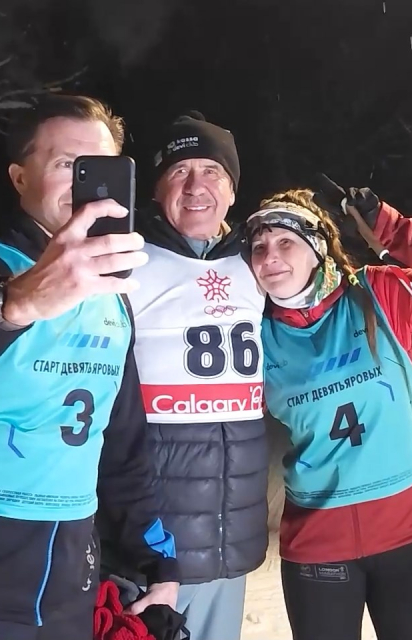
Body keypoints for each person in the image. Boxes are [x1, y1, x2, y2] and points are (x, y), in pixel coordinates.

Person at [0, 94, 180, 640]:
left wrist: (153, 559)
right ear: (20, 178)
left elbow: (121, 440)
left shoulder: (114, 293)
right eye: (68, 164)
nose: (87, 186)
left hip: (69, 560)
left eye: (101, 168)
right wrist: (16, 302)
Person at [242, 182, 412, 640]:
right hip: (318, 539)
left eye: (285, 242)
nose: (270, 257)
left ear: (318, 247)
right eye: (258, 247)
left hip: (408, 529)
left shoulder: (378, 295)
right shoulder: (255, 336)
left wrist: (391, 228)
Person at [101, 112, 269, 640]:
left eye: (212, 171)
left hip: (229, 540)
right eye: (179, 171)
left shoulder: (257, 261)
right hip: (152, 546)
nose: (196, 186)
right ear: (155, 190)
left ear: (233, 190)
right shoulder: (123, 260)